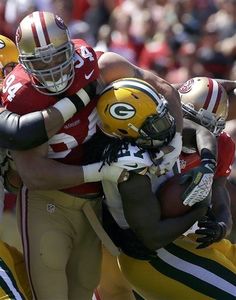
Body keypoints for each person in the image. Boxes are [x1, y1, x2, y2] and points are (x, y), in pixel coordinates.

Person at [0, 11, 183, 300]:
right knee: (50, 291)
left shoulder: (98, 65)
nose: (51, 69)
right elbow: (33, 174)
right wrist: (101, 170)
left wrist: (175, 140)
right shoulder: (23, 97)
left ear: (70, 48)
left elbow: (164, 88)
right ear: (25, 64)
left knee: (85, 287)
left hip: (94, 202)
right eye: (40, 61)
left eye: (57, 56)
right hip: (48, 201)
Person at [93, 77, 236, 300]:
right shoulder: (134, 157)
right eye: (189, 118)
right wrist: (200, 206)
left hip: (184, 239)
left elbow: (220, 198)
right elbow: (148, 235)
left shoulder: (209, 140)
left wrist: (221, 227)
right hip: (137, 242)